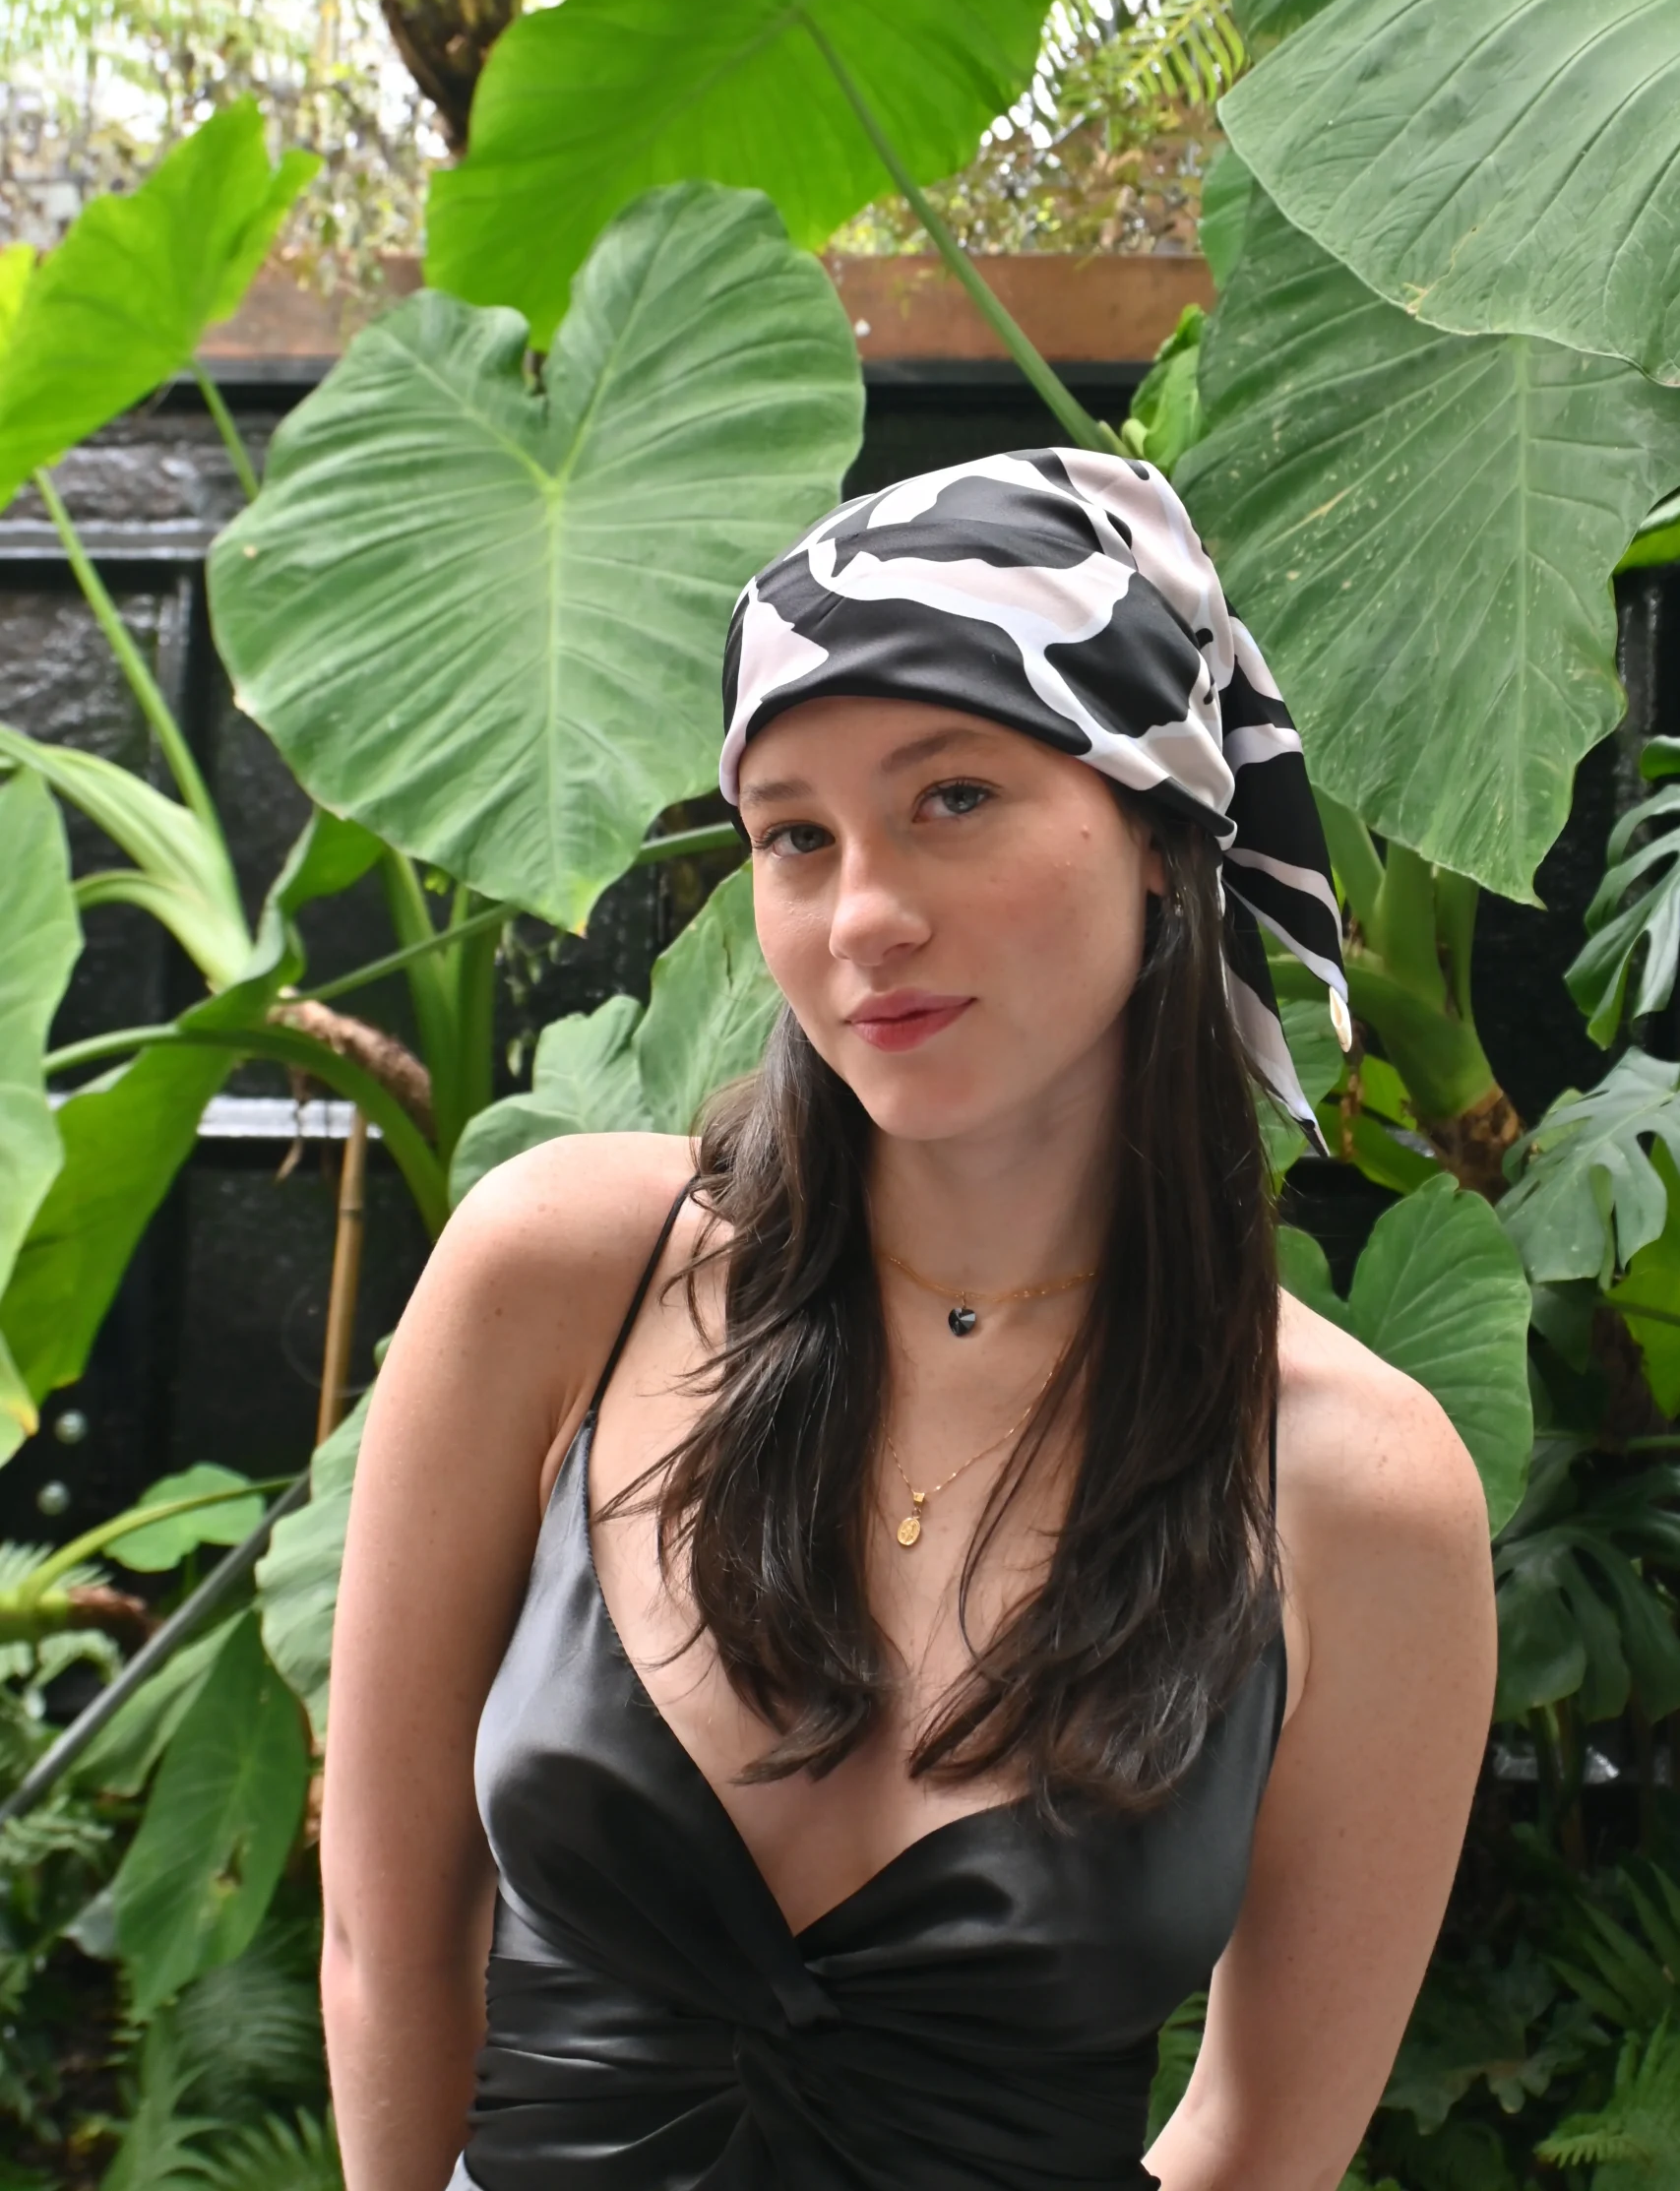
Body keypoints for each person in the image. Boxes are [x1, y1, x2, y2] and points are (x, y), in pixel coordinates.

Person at [321, 449, 1496, 2191]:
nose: (863, 915)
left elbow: (1260, 2145)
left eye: (952, 796)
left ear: (1158, 832)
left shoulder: (1356, 1487)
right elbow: (386, 1941)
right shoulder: (563, 1276)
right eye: (795, 834)